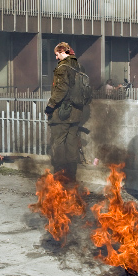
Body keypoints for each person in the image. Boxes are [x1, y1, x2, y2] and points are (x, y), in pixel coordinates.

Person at [44, 42, 85, 180]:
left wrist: (50, 105)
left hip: (62, 113)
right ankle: (71, 176)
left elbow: (61, 89)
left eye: (57, 54)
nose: (56, 58)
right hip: (76, 113)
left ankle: (60, 175)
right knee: (72, 144)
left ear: (62, 51)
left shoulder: (63, 67)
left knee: (58, 143)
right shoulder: (79, 66)